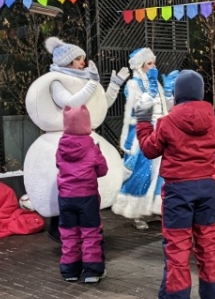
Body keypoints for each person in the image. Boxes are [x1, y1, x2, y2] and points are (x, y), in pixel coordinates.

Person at [24, 37, 128, 243]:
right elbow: (70, 103)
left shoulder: (85, 80)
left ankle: (80, 231)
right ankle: (62, 229)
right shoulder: (57, 81)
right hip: (62, 138)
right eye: (79, 59)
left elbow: (100, 104)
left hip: (83, 136)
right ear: (67, 62)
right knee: (59, 188)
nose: (83, 62)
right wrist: (91, 83)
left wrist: (114, 85)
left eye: (82, 58)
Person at [134, 70, 215, 299]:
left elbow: (149, 149)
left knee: (177, 248)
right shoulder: (214, 122)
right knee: (208, 244)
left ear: (177, 94)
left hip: (178, 191)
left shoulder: (167, 122)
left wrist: (144, 122)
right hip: (206, 188)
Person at [112, 48, 177, 230]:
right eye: (149, 63)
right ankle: (136, 212)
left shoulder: (155, 82)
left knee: (159, 173)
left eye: (154, 62)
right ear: (140, 66)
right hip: (141, 135)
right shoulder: (132, 85)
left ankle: (156, 207)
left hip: (160, 132)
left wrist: (169, 91)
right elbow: (141, 107)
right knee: (141, 173)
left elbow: (166, 108)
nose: (153, 66)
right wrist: (153, 91)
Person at [56, 105, 107, 283]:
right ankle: (92, 271)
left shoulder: (61, 147)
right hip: (87, 197)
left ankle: (70, 271)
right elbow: (103, 170)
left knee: (69, 233)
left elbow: (59, 167)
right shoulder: (91, 147)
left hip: (66, 197)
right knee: (90, 233)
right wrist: (98, 154)